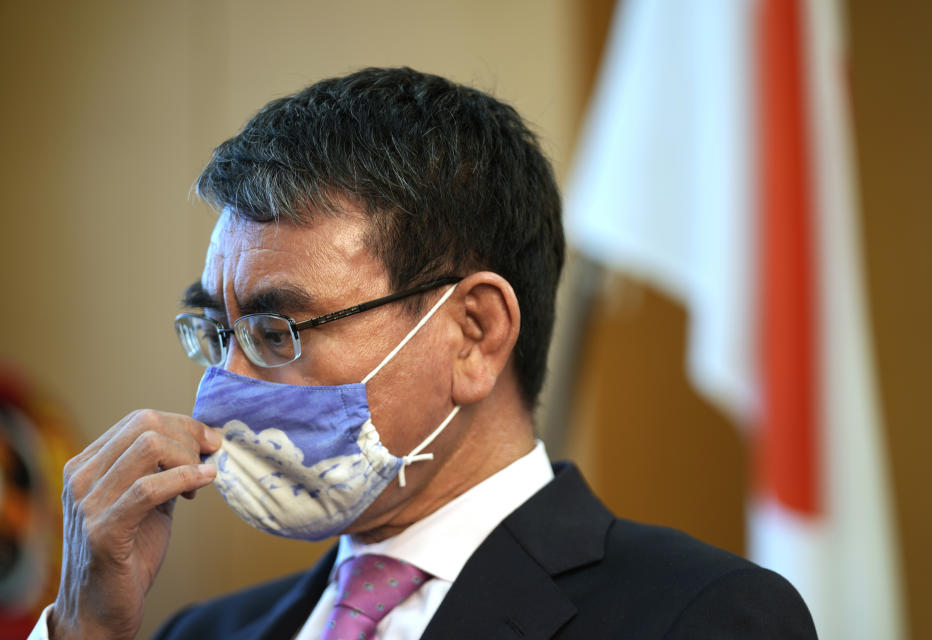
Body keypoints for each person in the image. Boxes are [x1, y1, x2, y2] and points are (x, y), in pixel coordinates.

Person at [32, 67, 817, 639]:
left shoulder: (706, 618)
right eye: (217, 333)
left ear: (474, 334)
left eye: (278, 332)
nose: (223, 385)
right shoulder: (199, 634)